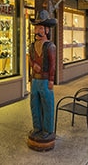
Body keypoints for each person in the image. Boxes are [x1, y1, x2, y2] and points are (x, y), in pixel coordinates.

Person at [28, 9, 57, 143]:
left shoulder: (50, 46)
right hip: (35, 80)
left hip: (45, 80)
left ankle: (47, 130)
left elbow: (52, 65)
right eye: (36, 28)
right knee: (34, 104)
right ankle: (37, 127)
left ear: (46, 30)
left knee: (47, 104)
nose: (37, 31)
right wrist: (33, 64)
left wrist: (51, 79)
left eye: (40, 28)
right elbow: (30, 59)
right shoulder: (32, 45)